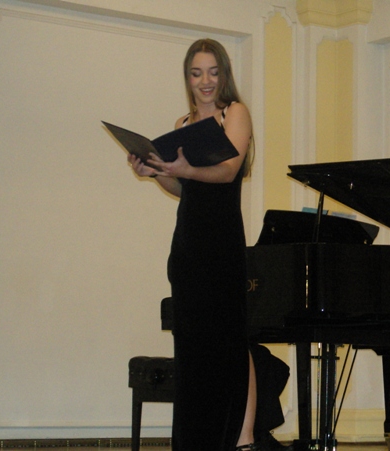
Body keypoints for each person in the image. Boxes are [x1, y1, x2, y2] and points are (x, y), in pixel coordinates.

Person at [128, 38, 258, 451]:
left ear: (224, 75)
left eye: (213, 72)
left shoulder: (234, 113)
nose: (205, 81)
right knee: (191, 349)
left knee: (227, 343)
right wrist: (156, 171)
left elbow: (227, 172)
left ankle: (237, 437)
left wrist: (184, 170)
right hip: (188, 246)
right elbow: (183, 189)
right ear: (187, 77)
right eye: (197, 73)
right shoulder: (183, 123)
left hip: (222, 245)